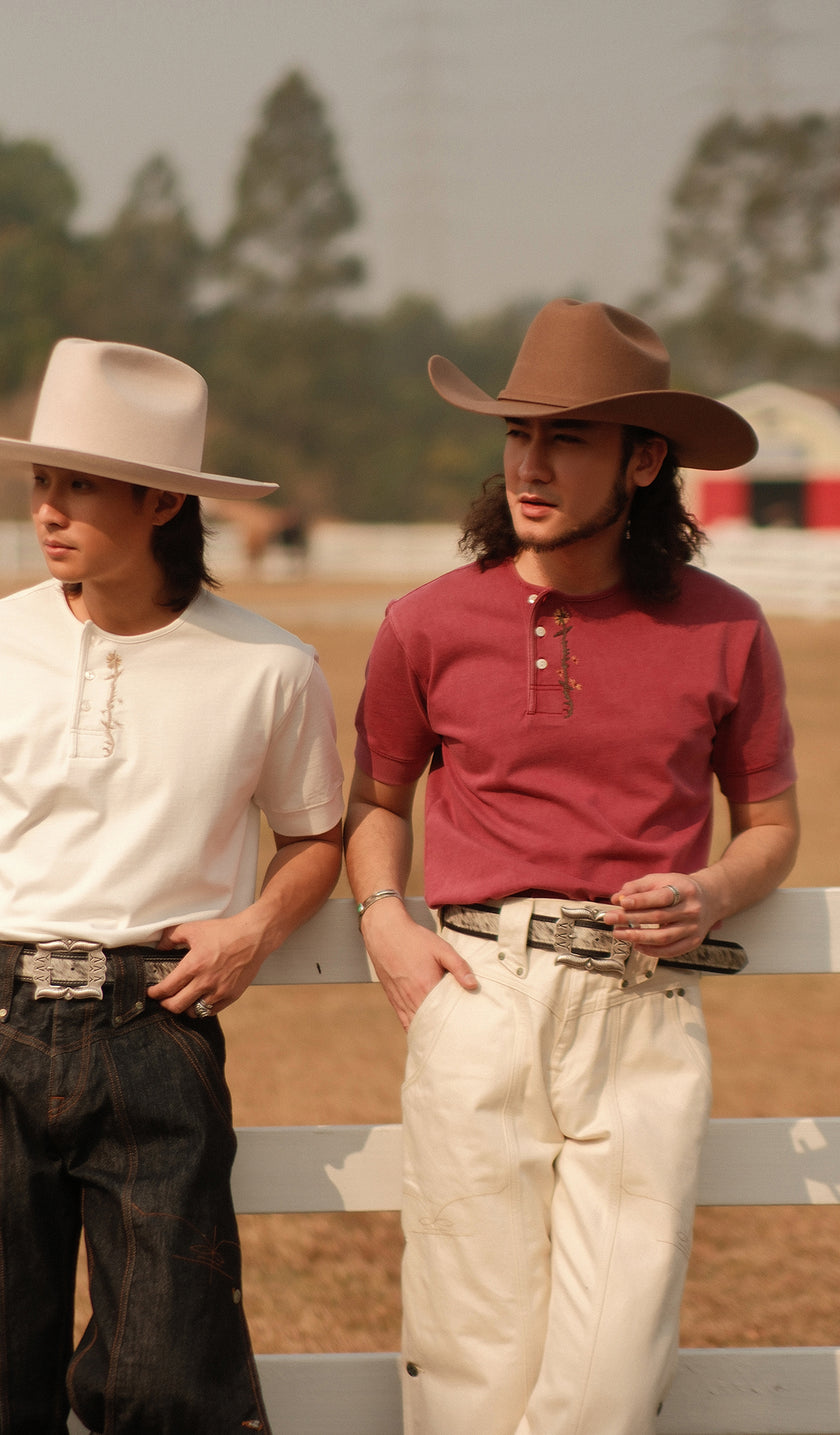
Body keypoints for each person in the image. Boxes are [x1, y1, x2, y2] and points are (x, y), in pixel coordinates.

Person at [0, 338, 344, 1435]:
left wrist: (255, 929)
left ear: (163, 499)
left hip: (156, 1028)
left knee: (171, 1381)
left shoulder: (272, 667)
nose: (48, 511)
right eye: (41, 481)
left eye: (80, 485)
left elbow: (315, 838)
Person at [345, 299, 799, 1435]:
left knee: (610, 1378)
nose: (531, 465)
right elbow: (374, 804)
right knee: (469, 1363)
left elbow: (771, 827)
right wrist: (384, 919)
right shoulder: (425, 623)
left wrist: (712, 891)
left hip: (642, 1010)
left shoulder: (726, 628)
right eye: (518, 434)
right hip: (478, 995)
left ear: (643, 461)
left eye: (568, 438)